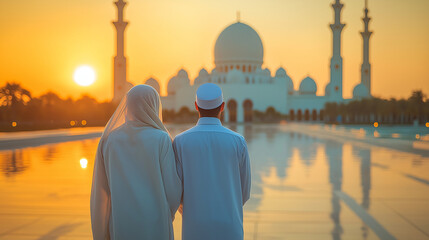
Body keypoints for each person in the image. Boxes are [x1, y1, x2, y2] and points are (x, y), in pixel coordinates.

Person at [90, 85, 182, 240]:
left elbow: (101, 189)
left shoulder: (110, 140)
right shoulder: (160, 138)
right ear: (153, 105)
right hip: (155, 224)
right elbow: (173, 191)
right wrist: (167, 215)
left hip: (121, 224)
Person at [173, 83, 251, 240]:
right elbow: (244, 191)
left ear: (196, 106)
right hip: (230, 228)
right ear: (222, 106)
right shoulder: (238, 141)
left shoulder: (180, 142)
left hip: (194, 228)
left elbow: (175, 191)